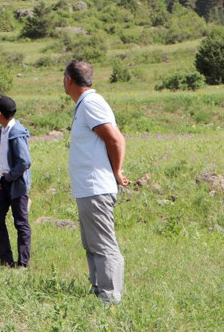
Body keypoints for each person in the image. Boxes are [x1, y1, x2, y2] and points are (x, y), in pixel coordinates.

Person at [64, 59, 130, 305]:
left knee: (103, 244)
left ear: (68, 80)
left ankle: (110, 297)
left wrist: (116, 170)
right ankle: (98, 290)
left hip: (96, 187)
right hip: (88, 188)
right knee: (91, 243)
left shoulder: (91, 103)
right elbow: (117, 137)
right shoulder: (86, 104)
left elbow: (114, 139)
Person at [0, 95, 32, 268]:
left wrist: (9, 176)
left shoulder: (16, 133)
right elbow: (3, 161)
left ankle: (23, 263)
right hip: (4, 182)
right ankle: (6, 260)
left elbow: (25, 161)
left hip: (16, 184)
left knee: (20, 222)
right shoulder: (1, 133)